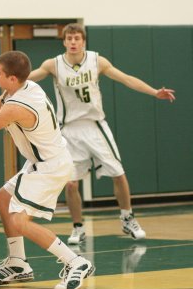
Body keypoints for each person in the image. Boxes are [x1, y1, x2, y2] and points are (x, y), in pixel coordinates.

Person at [0, 50, 95, 289]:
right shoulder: (25, 86)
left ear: (12, 78)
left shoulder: (17, 105)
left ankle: (76, 262)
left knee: (19, 221)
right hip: (40, 161)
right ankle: (18, 262)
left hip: (50, 166)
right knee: (3, 198)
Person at [28, 23, 176, 244]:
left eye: (77, 38)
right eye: (69, 39)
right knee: (71, 183)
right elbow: (27, 77)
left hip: (95, 125)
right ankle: (78, 227)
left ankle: (128, 218)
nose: (73, 42)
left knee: (118, 172)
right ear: (64, 41)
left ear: (83, 40)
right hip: (69, 129)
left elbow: (126, 79)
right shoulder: (53, 65)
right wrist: (4, 71)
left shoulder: (97, 61)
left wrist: (154, 92)